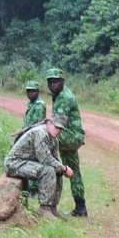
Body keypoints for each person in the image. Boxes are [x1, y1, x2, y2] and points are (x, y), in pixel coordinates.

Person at [5, 115, 75, 219]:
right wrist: (64, 168)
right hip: (14, 163)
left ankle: (52, 208)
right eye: (56, 127)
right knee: (48, 170)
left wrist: (61, 170)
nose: (58, 131)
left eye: (61, 129)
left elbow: (55, 160)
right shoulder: (41, 133)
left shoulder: (54, 140)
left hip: (27, 163)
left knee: (57, 171)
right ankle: (43, 209)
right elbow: (45, 159)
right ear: (49, 124)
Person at [46, 67, 87, 217]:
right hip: (71, 135)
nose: (53, 84)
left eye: (56, 81)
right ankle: (80, 207)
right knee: (72, 169)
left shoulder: (63, 98)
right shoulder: (60, 95)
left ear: (62, 81)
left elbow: (56, 127)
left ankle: (45, 201)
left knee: (43, 150)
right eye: (50, 82)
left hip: (69, 136)